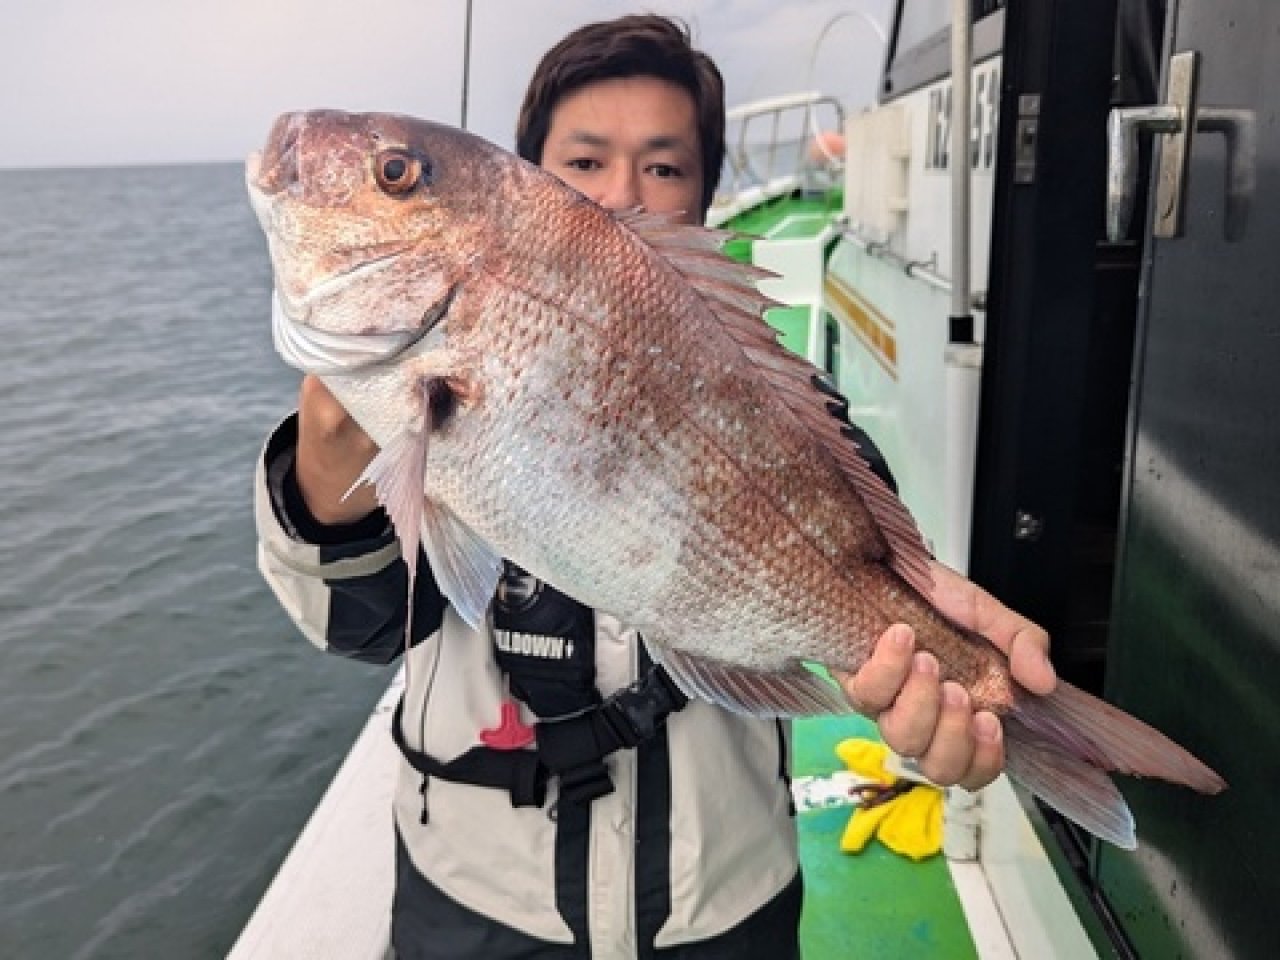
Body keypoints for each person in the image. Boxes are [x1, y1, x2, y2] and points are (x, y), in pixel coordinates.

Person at [254, 14, 1056, 959]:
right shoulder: (397, 388)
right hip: (476, 907)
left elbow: (868, 611)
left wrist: (926, 707)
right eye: (584, 163)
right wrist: (329, 459)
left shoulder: (800, 422)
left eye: (665, 168)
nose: (623, 194)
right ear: (525, 189)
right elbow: (361, 627)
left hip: (724, 909)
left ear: (708, 199)